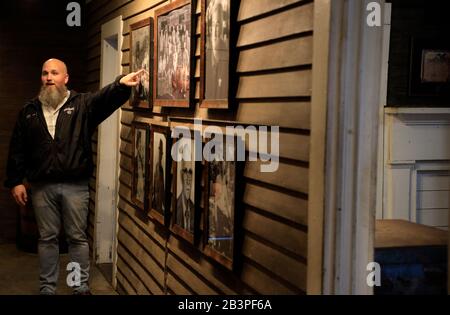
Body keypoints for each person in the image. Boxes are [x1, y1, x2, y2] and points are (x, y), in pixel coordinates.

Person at [4, 58, 144, 295]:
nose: (49, 77)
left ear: (65, 78)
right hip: (41, 187)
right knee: (47, 239)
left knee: (76, 239)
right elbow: (17, 148)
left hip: (75, 186)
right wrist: (16, 181)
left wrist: (120, 83)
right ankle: (47, 288)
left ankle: (80, 287)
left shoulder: (82, 105)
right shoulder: (29, 111)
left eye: (55, 73)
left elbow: (105, 98)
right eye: (45, 73)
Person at [176, 157, 194, 233]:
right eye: (185, 171)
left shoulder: (193, 208)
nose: (188, 181)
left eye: (190, 172)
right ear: (181, 176)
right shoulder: (176, 205)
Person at [152, 138, 165, 214]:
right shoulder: (157, 166)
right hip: (156, 200)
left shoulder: (161, 169)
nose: (160, 153)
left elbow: (162, 187)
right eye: (159, 150)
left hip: (159, 201)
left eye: (161, 152)